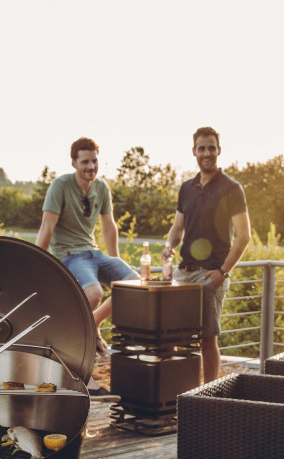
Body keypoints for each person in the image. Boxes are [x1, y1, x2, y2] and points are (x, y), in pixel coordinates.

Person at [35, 137, 138, 399]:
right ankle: (90, 327)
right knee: (93, 294)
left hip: (95, 253)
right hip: (70, 255)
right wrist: (37, 265)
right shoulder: (60, 186)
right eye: (85, 161)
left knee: (136, 284)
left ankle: (93, 322)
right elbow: (47, 226)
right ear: (74, 163)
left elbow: (109, 226)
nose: (91, 166)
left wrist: (116, 261)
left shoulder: (101, 188)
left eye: (94, 160)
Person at [163, 127, 251, 382]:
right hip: (182, 274)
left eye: (211, 147)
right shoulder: (186, 188)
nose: (207, 153)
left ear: (219, 151)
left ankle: (208, 396)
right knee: (172, 336)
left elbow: (244, 236)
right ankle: (175, 391)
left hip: (210, 276)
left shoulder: (232, 188)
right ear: (194, 151)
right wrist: (170, 245)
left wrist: (222, 274)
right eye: (201, 148)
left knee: (207, 339)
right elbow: (177, 228)